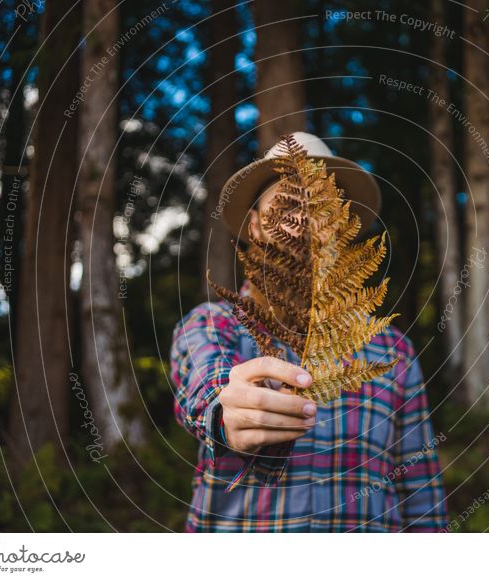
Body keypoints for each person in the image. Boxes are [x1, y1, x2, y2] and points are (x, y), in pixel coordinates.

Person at [170, 132, 448, 532]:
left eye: (323, 208)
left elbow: (420, 492)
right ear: (255, 227)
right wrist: (227, 412)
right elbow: (206, 384)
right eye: (285, 206)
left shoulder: (391, 350)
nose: (303, 221)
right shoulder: (213, 325)